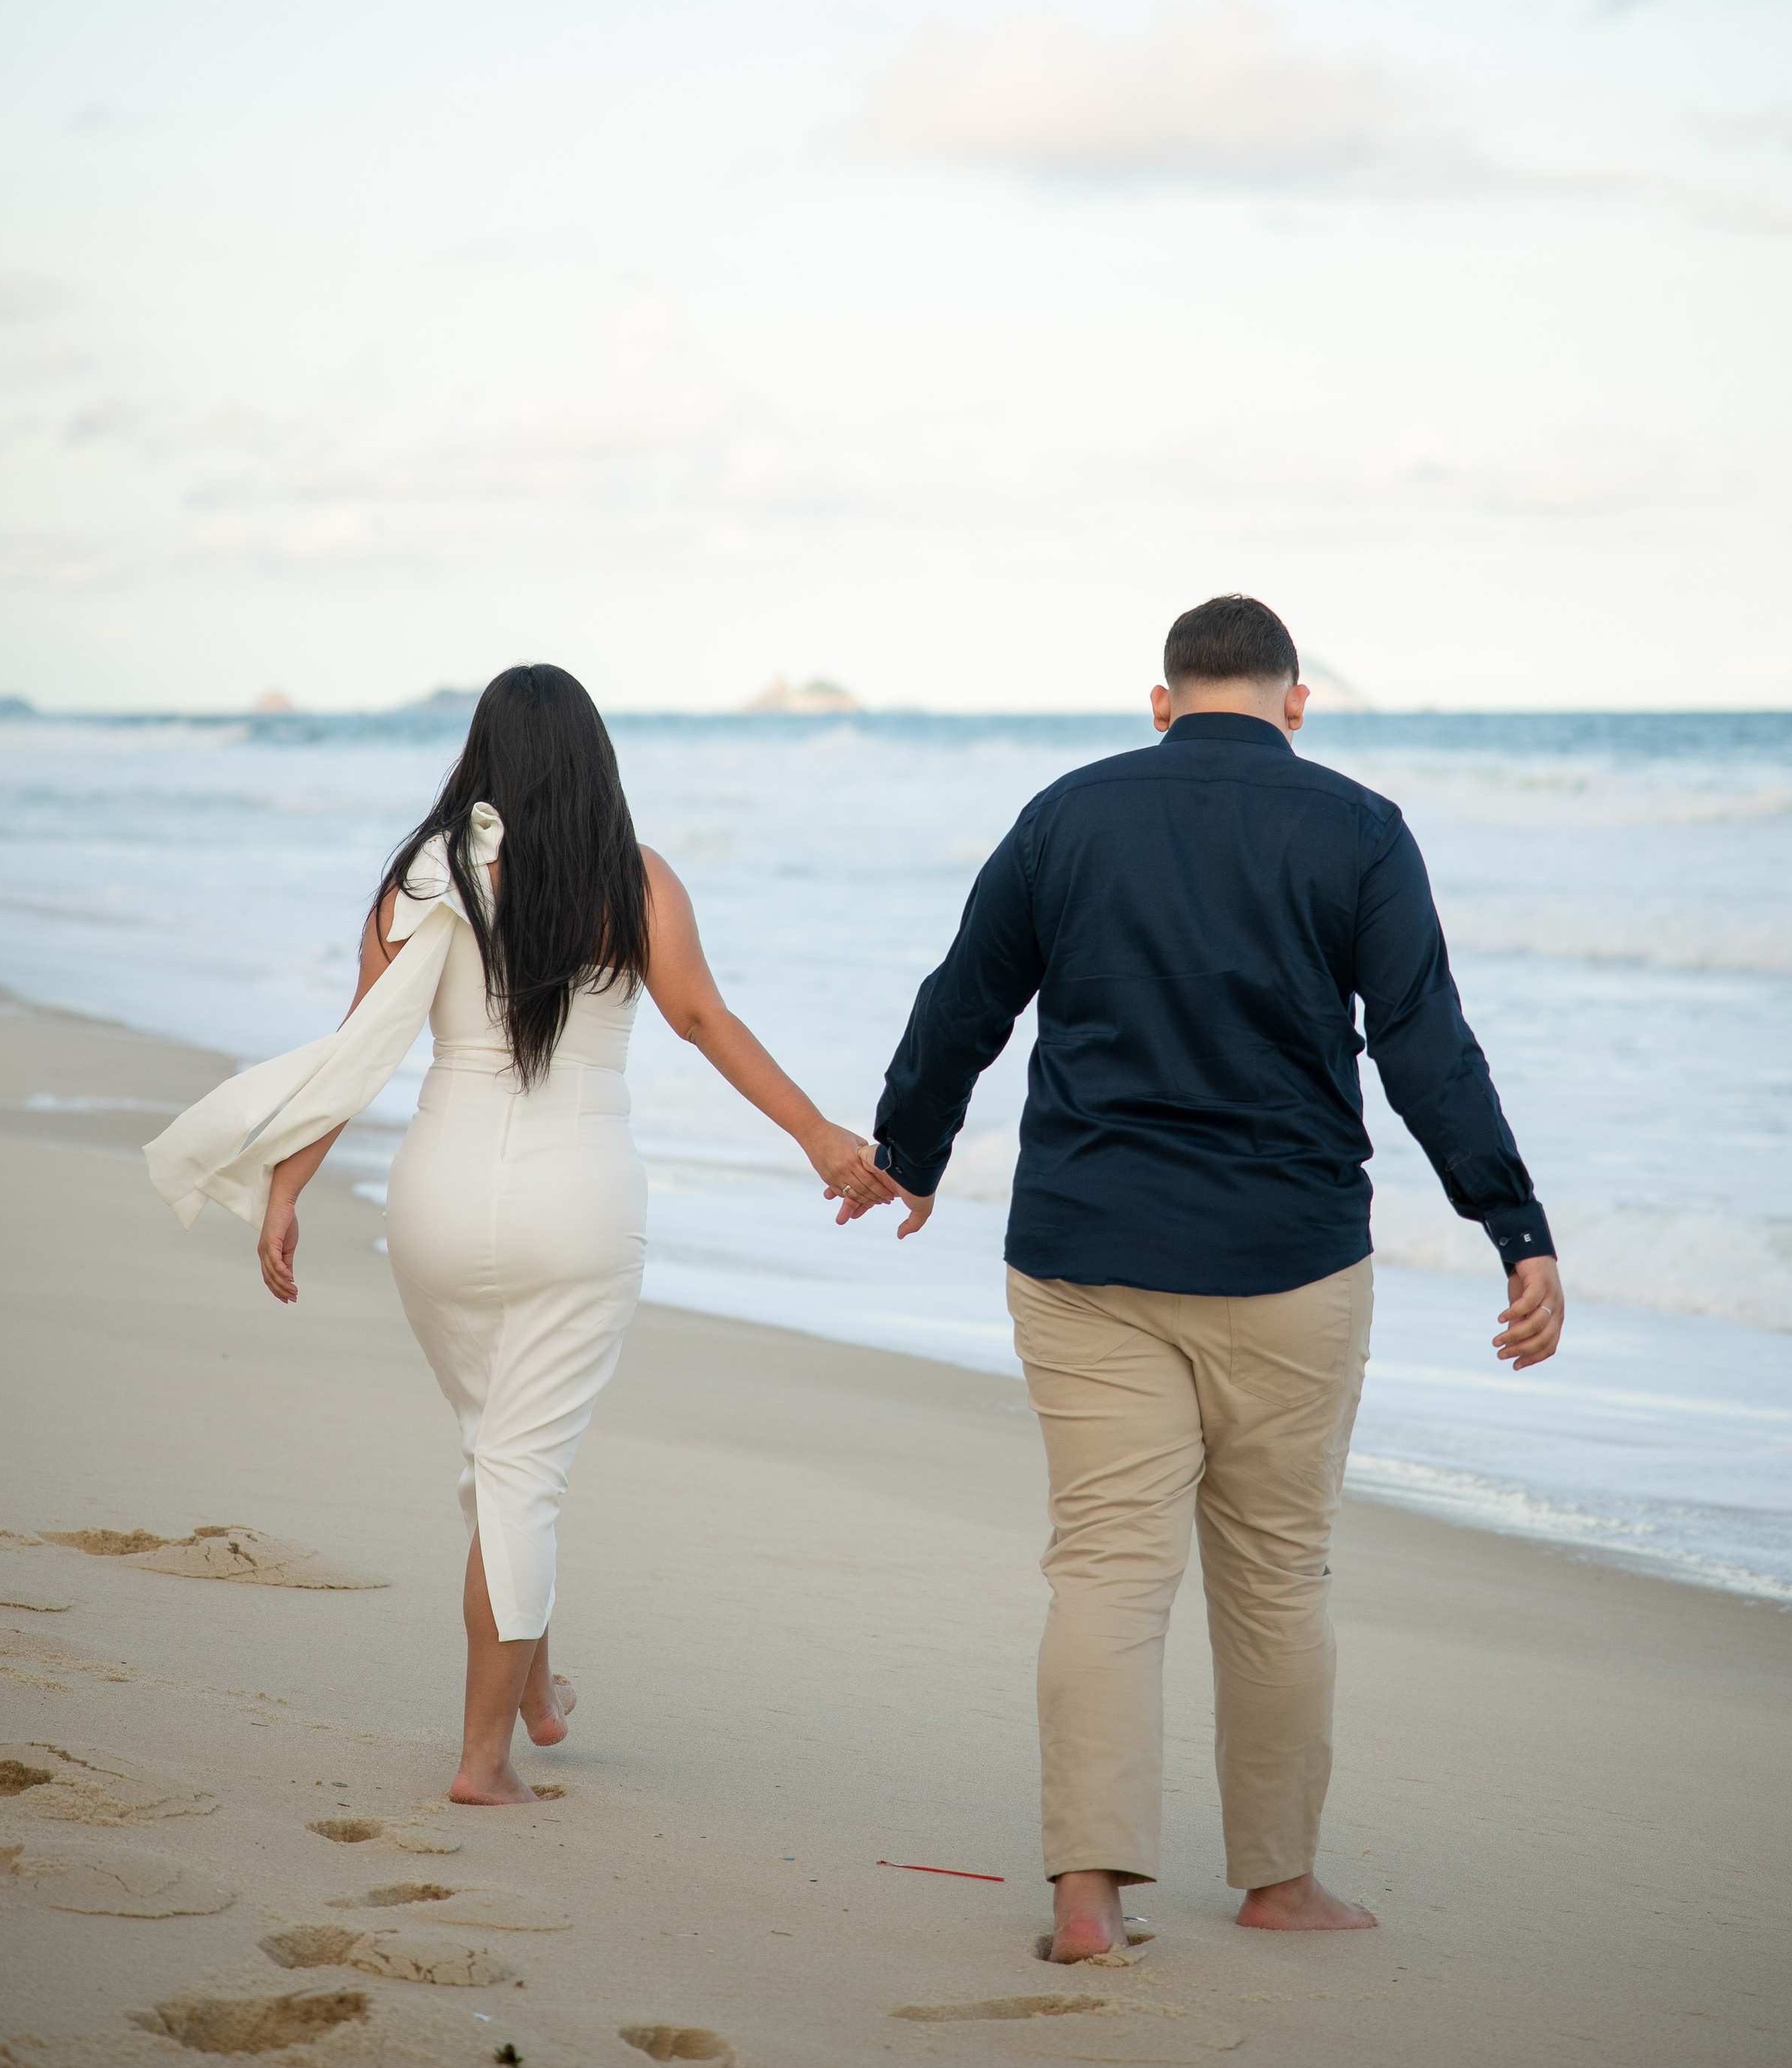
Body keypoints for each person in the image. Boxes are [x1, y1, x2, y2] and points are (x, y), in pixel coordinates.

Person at [833, 596, 1563, 1957]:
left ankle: (1088, 1896)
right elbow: (1424, 1045)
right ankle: (1281, 1884)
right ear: (1296, 701)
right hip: (1288, 1262)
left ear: (1160, 701)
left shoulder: (1068, 813)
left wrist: (909, 1155)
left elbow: (963, 1002)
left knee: (1107, 1571)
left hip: (1085, 1253)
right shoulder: (1358, 827)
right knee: (1279, 1574)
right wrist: (1512, 1224)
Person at [146, 663, 884, 1806]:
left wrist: (289, 1188)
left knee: (496, 1460)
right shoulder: (632, 880)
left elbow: (358, 1048)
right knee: (521, 1476)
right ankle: (483, 1760)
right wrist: (818, 1134)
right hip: (578, 1197)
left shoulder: (422, 878)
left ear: (482, 757)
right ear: (593, 759)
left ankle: (536, 1694)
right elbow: (702, 1019)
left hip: (436, 1194)